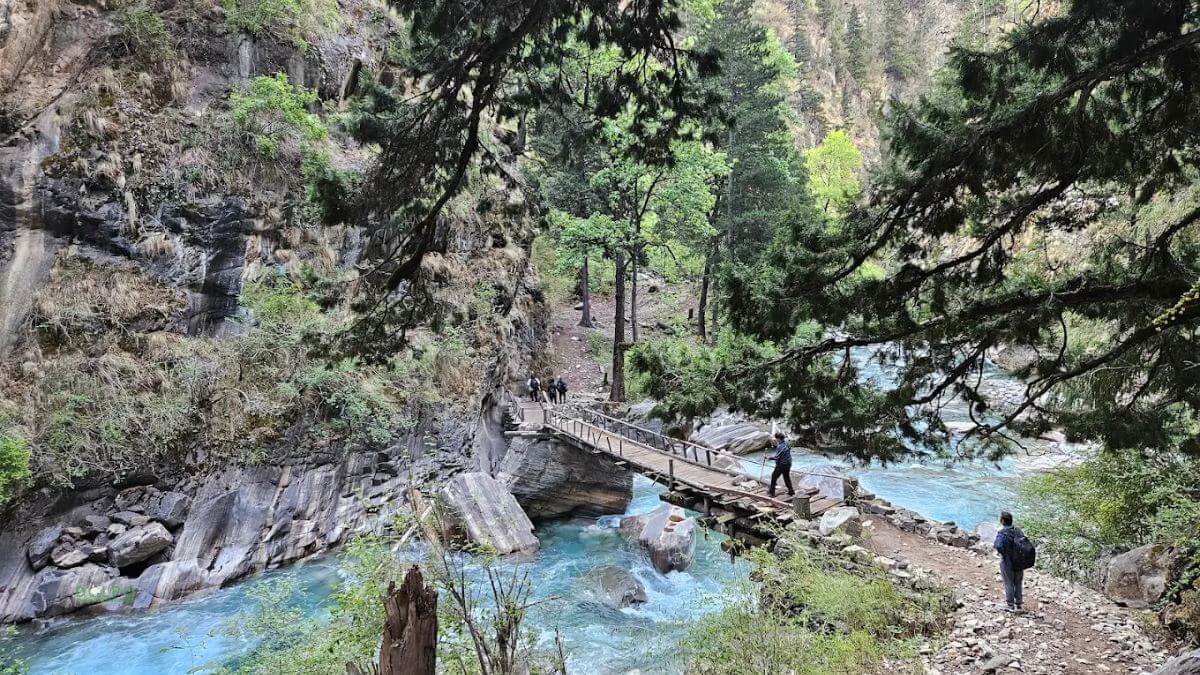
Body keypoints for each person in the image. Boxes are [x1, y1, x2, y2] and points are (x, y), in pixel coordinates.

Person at [993, 511, 1032, 612]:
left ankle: (1010, 605)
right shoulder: (1018, 530)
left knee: (1009, 583)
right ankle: (1019, 604)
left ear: (1002, 521)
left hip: (1007, 561)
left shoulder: (1002, 533)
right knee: (1018, 583)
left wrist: (1003, 553)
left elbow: (998, 545)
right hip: (1020, 561)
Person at [766, 432, 795, 498]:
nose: (775, 440)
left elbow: (777, 457)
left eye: (776, 438)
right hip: (788, 463)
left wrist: (769, 458)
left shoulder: (780, 446)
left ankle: (771, 493)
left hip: (781, 465)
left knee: (774, 477)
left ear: (779, 439)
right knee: (786, 477)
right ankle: (791, 491)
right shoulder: (787, 444)